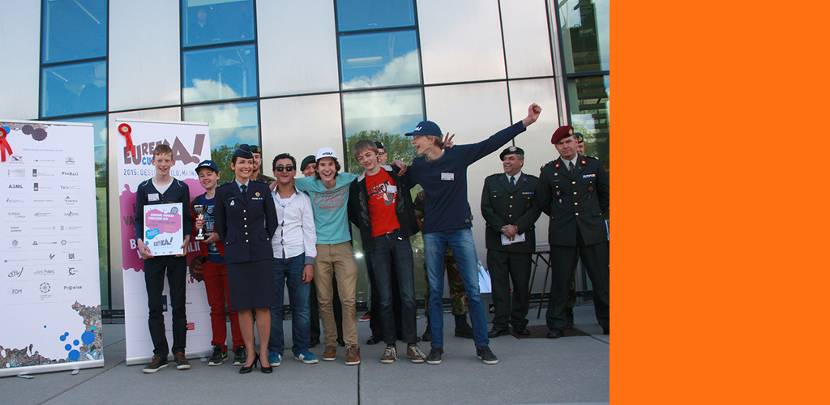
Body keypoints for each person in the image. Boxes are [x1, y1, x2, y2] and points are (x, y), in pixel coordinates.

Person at [403, 103, 542, 365]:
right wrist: (393, 165)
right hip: (432, 234)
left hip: (460, 231)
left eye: (417, 137)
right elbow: (398, 181)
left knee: (473, 290)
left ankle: (482, 346)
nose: (413, 142)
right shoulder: (419, 166)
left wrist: (526, 122)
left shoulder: (459, 155)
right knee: (435, 292)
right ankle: (436, 347)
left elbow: (491, 143)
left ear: (431, 138)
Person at [348, 140, 426, 363]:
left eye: (368, 155)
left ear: (377, 155)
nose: (365, 160)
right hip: (377, 243)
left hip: (399, 238)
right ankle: (390, 345)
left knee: (408, 295)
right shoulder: (357, 185)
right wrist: (370, 231)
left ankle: (411, 344)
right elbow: (355, 214)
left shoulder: (395, 173)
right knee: (384, 298)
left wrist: (404, 165)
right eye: (361, 158)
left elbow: (417, 174)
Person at [536, 126, 610, 338]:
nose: (565, 146)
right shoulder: (549, 171)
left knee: (601, 280)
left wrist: (592, 216)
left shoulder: (593, 165)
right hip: (563, 233)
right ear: (556, 147)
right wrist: (563, 217)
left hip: (592, 232)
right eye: (560, 144)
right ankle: (557, 324)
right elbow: (544, 202)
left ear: (576, 142)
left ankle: (609, 321)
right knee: (561, 282)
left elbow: (606, 196)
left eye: (568, 141)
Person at [213, 144, 278, 373]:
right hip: (236, 256)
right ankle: (250, 353)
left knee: (262, 306)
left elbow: (272, 221)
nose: (246, 166)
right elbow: (221, 225)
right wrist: (233, 243)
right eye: (242, 162)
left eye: (250, 162)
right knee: (242, 307)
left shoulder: (262, 189)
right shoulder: (224, 191)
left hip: (261, 254)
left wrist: (261, 238)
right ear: (233, 166)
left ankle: (264, 353)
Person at [295, 147, 361, 366]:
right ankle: (330, 343)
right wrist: (271, 184)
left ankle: (352, 345)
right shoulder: (308, 183)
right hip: (319, 248)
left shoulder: (347, 180)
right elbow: (284, 180)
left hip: (343, 246)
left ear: (336, 166)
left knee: (348, 299)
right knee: (324, 300)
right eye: (322, 164)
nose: (326, 168)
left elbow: (368, 172)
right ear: (316, 168)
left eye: (330, 164)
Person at [135, 144, 193, 373]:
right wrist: (140, 240)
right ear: (153, 162)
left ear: (172, 162)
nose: (163, 164)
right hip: (152, 254)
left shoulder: (181, 187)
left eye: (166, 160)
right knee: (154, 305)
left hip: (176, 253)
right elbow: (139, 219)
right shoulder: (143, 188)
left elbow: (186, 218)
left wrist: (186, 238)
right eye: (159, 160)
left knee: (179, 304)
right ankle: (160, 353)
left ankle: (179, 352)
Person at [189, 160, 245, 366]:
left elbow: (236, 226)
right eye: (202, 175)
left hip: (229, 260)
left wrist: (219, 236)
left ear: (218, 175)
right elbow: (198, 233)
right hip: (210, 262)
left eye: (209, 174)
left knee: (235, 306)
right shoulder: (198, 202)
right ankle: (219, 346)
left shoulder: (227, 197)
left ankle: (239, 346)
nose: (206, 178)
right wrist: (198, 229)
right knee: (216, 307)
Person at [481, 146, 541, 337]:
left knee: (521, 285)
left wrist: (517, 227)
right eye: (505, 159)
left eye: (512, 158)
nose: (507, 162)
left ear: (521, 161)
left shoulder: (533, 183)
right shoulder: (492, 181)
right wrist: (502, 227)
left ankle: (519, 323)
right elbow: (486, 208)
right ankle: (500, 323)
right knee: (499, 286)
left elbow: (535, 209)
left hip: (521, 243)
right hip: (497, 242)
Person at [267, 153, 319, 366]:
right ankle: (274, 350)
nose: (284, 171)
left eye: (289, 168)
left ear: (294, 172)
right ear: (274, 172)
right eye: (280, 168)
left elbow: (309, 230)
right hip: (272, 257)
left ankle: (302, 349)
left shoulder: (303, 199)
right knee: (273, 307)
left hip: (298, 257)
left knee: (302, 307)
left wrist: (309, 262)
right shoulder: (267, 197)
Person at [414, 190, 474, 342]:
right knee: (433, 288)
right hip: (434, 247)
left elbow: (467, 217)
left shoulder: (455, 192)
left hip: (455, 247)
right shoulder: (423, 195)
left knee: (459, 286)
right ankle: (431, 326)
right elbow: (417, 217)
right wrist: (428, 233)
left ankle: (461, 324)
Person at [300, 154, 345, 348]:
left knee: (335, 294)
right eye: (307, 168)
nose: (311, 171)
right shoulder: (300, 192)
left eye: (313, 167)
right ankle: (313, 335)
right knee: (312, 296)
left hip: (333, 245)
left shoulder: (332, 188)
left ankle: (340, 334)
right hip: (308, 250)